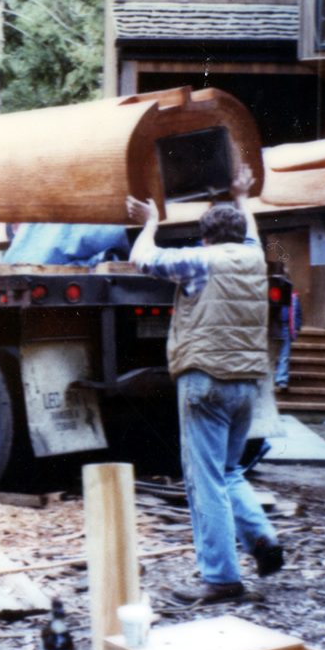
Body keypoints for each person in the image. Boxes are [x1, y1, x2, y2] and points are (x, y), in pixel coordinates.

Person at [126, 164, 284, 604]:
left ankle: (221, 578)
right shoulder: (254, 257)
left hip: (205, 381)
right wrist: (242, 195)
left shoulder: (200, 260)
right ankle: (262, 539)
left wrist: (151, 223)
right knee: (230, 471)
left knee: (206, 480)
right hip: (247, 385)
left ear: (206, 237)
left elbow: (145, 260)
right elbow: (250, 228)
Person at [275, 288, 302, 391]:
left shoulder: (293, 297)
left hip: (286, 326)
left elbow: (298, 313)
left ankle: (281, 379)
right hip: (275, 326)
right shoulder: (273, 294)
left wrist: (297, 327)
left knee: (284, 354)